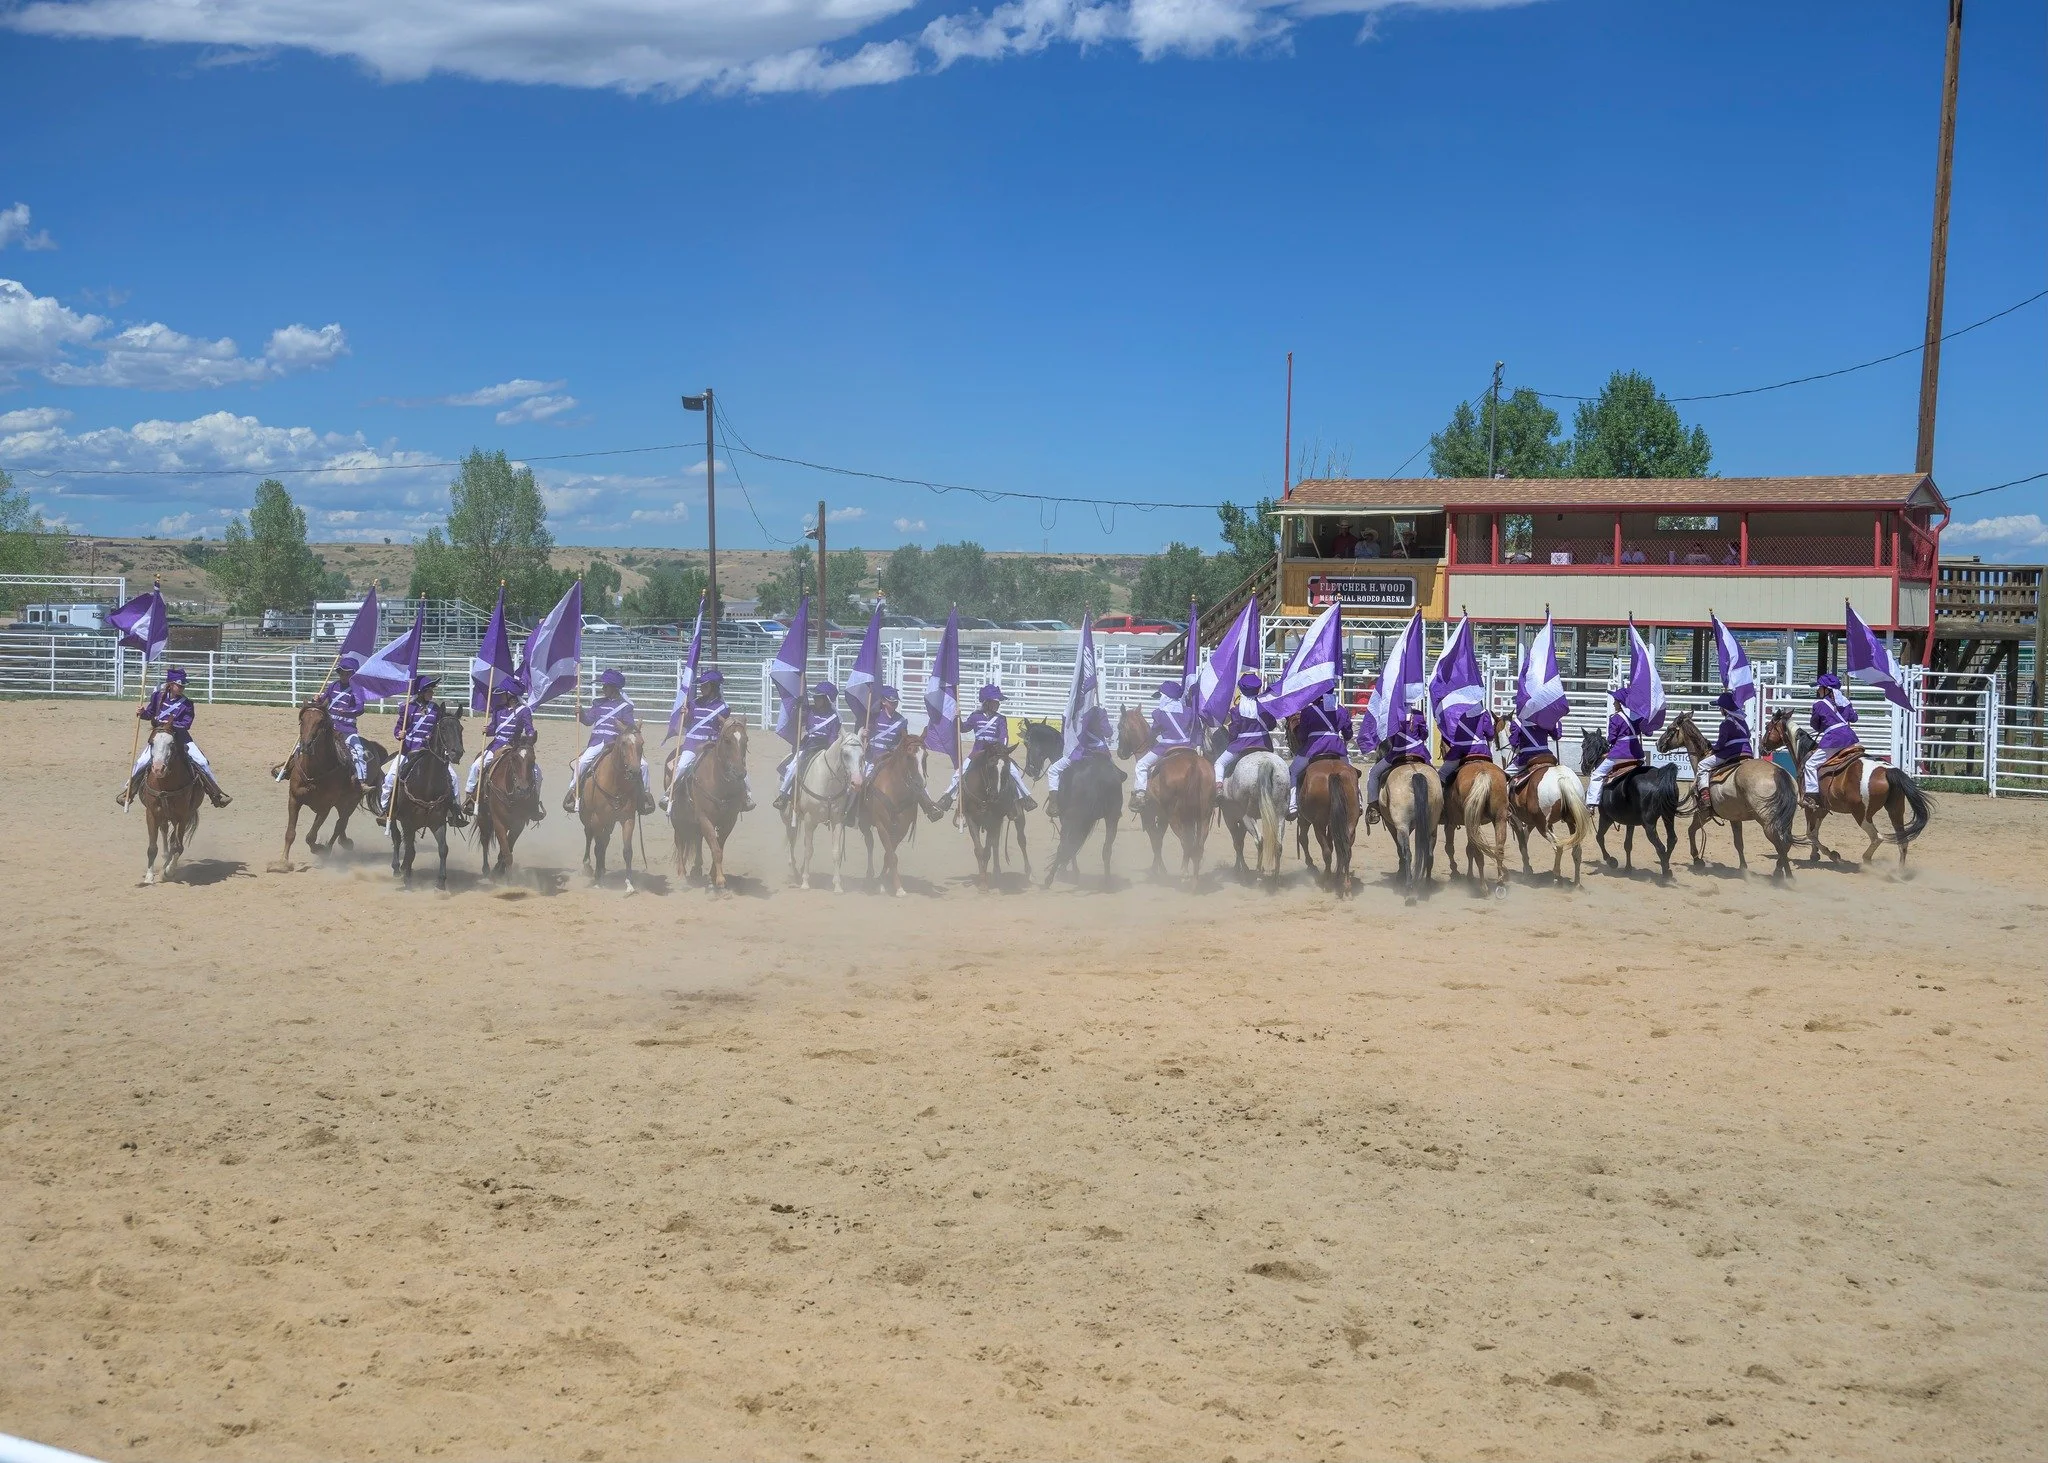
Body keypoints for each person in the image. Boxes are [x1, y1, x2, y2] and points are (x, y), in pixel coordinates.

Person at [117, 665, 232, 808]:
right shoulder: (157, 697)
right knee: (141, 762)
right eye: (179, 685)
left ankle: (216, 795)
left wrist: (170, 725)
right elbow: (149, 714)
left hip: (181, 738)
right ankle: (128, 792)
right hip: (159, 739)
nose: (182, 688)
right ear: (171, 685)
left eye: (183, 686)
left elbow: (186, 723)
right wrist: (142, 713)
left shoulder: (187, 704)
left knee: (202, 762)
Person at [662, 667, 754, 814]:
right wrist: (684, 715)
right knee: (683, 765)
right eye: (701, 685)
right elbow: (685, 724)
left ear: (713, 687)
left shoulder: (723, 708)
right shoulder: (693, 704)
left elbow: (722, 729)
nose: (702, 688)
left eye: (705, 685)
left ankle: (747, 796)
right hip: (692, 745)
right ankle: (670, 794)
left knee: (740, 769)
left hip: (712, 746)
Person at [565, 668, 656, 816]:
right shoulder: (598, 703)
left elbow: (630, 729)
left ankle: (645, 795)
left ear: (613, 688)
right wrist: (580, 712)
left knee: (644, 766)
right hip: (596, 743)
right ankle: (572, 792)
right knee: (581, 763)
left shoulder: (625, 707)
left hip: (615, 744)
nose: (603, 689)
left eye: (605, 686)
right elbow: (588, 721)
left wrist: (623, 727)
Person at [936, 684, 1037, 812]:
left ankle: (1025, 798)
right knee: (959, 773)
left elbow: (1004, 736)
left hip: (995, 753)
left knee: (1014, 772)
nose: (998, 704)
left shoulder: (1001, 719)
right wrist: (957, 718)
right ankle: (947, 797)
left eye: (998, 702)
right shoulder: (975, 716)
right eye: (995, 702)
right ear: (987, 703)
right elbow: (963, 728)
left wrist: (1001, 750)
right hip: (977, 752)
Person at [379, 676, 465, 826]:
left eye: (432, 690)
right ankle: (386, 810)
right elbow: (398, 728)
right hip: (409, 750)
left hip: (429, 751)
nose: (432, 693)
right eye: (429, 690)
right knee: (390, 778)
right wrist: (399, 734)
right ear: (421, 692)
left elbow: (441, 729)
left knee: (453, 777)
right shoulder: (408, 708)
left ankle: (454, 811)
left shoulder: (436, 710)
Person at [853, 685, 944, 822]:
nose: (894, 703)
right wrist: (863, 733)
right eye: (891, 701)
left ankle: (929, 806)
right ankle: (855, 811)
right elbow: (859, 735)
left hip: (890, 757)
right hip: (873, 757)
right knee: (862, 781)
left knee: (915, 778)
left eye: (895, 701)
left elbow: (903, 742)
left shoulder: (901, 721)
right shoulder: (872, 718)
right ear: (883, 702)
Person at [463, 684, 540, 819]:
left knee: (537, 773)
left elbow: (529, 728)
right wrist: (488, 730)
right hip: (496, 745)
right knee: (476, 766)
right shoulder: (498, 709)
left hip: (514, 746)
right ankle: (470, 797)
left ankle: (534, 804)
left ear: (510, 696)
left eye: (503, 694)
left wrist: (530, 736)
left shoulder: (524, 711)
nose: (500, 697)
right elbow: (494, 728)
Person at [1284, 689, 1353, 820]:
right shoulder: (1340, 709)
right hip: (1337, 748)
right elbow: (1348, 733)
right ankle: (1359, 802)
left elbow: (1302, 735)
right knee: (1352, 772)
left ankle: (1292, 805)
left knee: (1292, 772)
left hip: (1313, 748)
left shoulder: (1308, 711)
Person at [776, 681, 844, 814]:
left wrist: (828, 751)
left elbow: (832, 737)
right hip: (808, 746)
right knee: (793, 766)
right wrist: (798, 707)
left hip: (825, 748)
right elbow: (796, 720)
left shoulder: (833, 718)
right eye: (815, 697)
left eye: (818, 697)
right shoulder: (809, 711)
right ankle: (784, 794)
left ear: (825, 699)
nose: (815, 699)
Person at [1130, 678, 1196, 815]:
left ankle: (1140, 794)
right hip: (1188, 747)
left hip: (1166, 747)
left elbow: (1154, 732)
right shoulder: (1189, 711)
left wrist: (1153, 739)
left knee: (1141, 765)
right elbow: (1195, 730)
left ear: (1165, 697)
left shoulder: (1158, 713)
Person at [1044, 702, 1114, 821]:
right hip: (1100, 753)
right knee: (1115, 777)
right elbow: (1108, 733)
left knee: (1053, 770)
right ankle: (1112, 808)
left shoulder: (1069, 711)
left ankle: (1054, 803)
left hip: (1077, 753)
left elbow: (1064, 736)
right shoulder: (1099, 711)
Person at [1365, 683, 1430, 808]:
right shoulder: (1418, 714)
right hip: (1419, 752)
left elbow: (1387, 735)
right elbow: (1424, 734)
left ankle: (1373, 806)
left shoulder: (1391, 715)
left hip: (1397, 752)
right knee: (1435, 776)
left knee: (1373, 773)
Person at [1691, 689, 1754, 814]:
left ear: (1724, 709)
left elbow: (1721, 744)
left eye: (1720, 708)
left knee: (1702, 765)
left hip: (1731, 752)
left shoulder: (1725, 724)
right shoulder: (1742, 720)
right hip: (1747, 751)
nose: (1719, 710)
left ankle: (1705, 797)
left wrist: (1714, 748)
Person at [1213, 670, 1277, 792]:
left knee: (1219, 763)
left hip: (1241, 746)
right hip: (1264, 744)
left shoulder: (1236, 710)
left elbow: (1234, 731)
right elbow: (1272, 725)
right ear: (1258, 689)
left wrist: (1231, 742)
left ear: (1241, 689)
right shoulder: (1264, 707)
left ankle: (1219, 789)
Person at [1804, 671, 1860, 809]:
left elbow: (1815, 725)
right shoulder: (1845, 702)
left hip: (1834, 739)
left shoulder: (1819, 704)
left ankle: (1812, 795)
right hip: (1850, 738)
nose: (1818, 690)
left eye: (1819, 687)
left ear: (1826, 689)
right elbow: (1854, 718)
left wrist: (1824, 726)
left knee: (1810, 765)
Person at [1584, 690, 1645, 807]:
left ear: (1620, 703)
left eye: (1615, 701)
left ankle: (1591, 804)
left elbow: (1611, 739)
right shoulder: (1635, 717)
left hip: (1620, 754)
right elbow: (1644, 730)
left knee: (1597, 774)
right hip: (1637, 754)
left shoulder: (1615, 718)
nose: (1614, 704)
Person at [1437, 698, 1497, 788]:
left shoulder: (1453, 713)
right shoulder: (1483, 712)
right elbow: (1490, 734)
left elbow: (1449, 735)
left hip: (1461, 751)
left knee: (1441, 776)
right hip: (1482, 750)